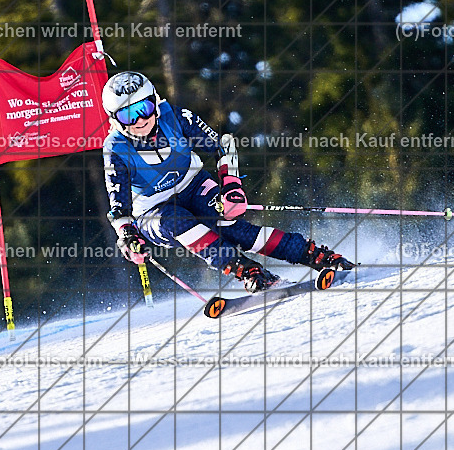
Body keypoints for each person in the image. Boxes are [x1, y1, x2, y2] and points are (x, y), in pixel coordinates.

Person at [101, 71, 354, 292]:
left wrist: (231, 186)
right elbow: (118, 205)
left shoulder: (175, 117)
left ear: (154, 103)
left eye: (142, 109)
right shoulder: (115, 149)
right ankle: (249, 271)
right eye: (127, 115)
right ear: (115, 120)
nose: (139, 121)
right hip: (153, 211)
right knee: (177, 221)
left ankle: (313, 255)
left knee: (231, 226)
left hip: (193, 184)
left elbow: (222, 146)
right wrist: (127, 236)